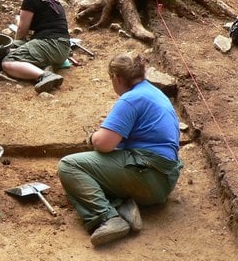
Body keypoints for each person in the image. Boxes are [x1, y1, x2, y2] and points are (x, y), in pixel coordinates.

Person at [57, 52, 183, 247]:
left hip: (148, 175)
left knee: (69, 166)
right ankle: (124, 206)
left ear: (117, 78)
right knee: (100, 170)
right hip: (164, 180)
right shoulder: (153, 92)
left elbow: (104, 144)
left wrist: (93, 137)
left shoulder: (130, 99)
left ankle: (107, 217)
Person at [0, 0, 69, 93]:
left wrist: (17, 45)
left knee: (8, 61)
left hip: (51, 44)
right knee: (12, 48)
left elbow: (21, 30)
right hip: (62, 46)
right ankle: (45, 66)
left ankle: (45, 76)